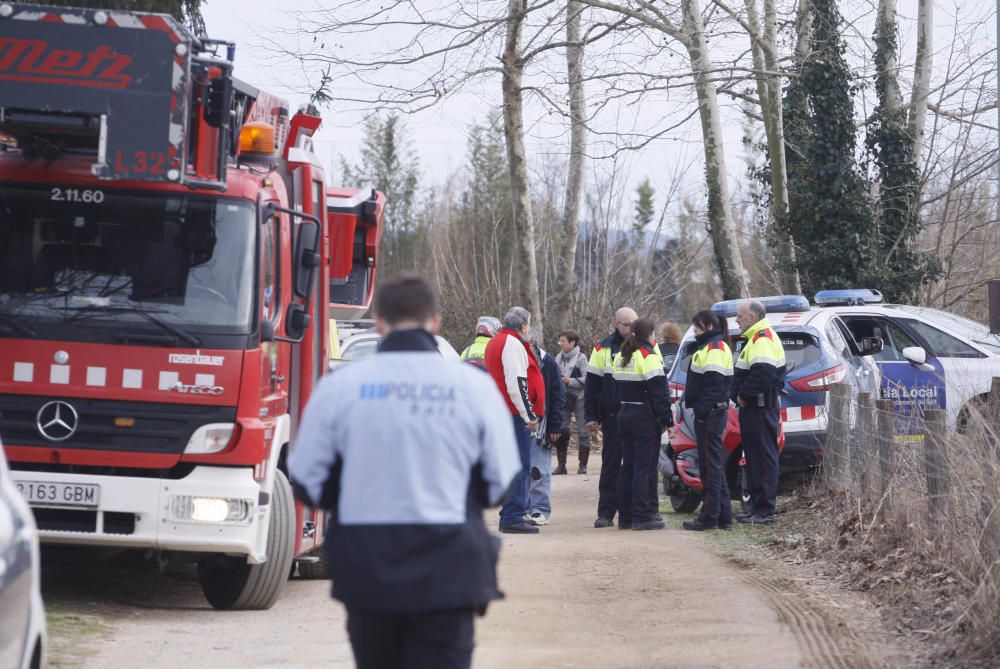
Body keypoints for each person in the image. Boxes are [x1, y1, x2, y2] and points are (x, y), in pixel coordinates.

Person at [288, 274, 520, 669]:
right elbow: (500, 481)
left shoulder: (340, 387)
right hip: (449, 566)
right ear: (436, 322)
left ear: (378, 322)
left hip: (368, 566)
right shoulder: (474, 388)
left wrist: (348, 500)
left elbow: (307, 479)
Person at [485, 306, 547, 534]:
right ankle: (512, 516)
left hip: (503, 411)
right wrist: (528, 415)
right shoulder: (511, 343)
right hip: (512, 414)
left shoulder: (497, 341)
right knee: (518, 465)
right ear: (523, 326)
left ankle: (512, 513)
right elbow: (517, 383)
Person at [611, 317, 674, 530]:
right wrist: (667, 419)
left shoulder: (621, 356)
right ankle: (643, 515)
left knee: (627, 466)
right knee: (644, 468)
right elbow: (659, 393)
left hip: (624, 413)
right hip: (643, 417)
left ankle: (626, 516)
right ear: (650, 335)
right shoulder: (648, 356)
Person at [732, 300, 786, 525]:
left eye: (740, 316)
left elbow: (763, 373)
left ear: (752, 317)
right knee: (754, 457)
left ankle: (764, 510)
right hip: (756, 408)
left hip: (760, 407)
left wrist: (744, 395)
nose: (737, 320)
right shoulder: (756, 338)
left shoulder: (761, 339)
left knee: (763, 458)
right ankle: (757, 507)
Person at [681, 310, 734, 531]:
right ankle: (723, 516)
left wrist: (701, 412)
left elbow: (713, 387)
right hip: (712, 413)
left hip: (710, 415)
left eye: (698, 327)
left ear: (709, 327)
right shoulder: (711, 347)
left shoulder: (714, 349)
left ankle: (709, 517)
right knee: (714, 466)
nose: (694, 330)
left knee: (709, 468)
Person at [584, 307, 637, 528]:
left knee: (636, 465)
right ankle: (606, 512)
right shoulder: (602, 348)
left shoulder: (645, 347)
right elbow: (592, 385)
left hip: (637, 414)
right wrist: (591, 416)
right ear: (617, 324)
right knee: (611, 465)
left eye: (635, 324)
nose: (632, 329)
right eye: (628, 325)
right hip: (613, 415)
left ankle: (634, 511)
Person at [525, 329, 565, 525]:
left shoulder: (548, 363)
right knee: (521, 469)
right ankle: (523, 507)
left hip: (543, 424)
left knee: (539, 469)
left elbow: (558, 394)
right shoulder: (515, 361)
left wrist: (555, 425)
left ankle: (539, 509)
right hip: (521, 421)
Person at [554, 330, 590, 475]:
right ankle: (561, 465)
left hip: (579, 398)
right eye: (560, 341)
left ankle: (583, 465)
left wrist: (570, 381)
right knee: (562, 430)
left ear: (572, 342)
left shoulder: (581, 358)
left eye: (563, 341)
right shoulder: (558, 357)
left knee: (583, 432)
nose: (560, 344)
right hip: (563, 398)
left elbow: (587, 379)